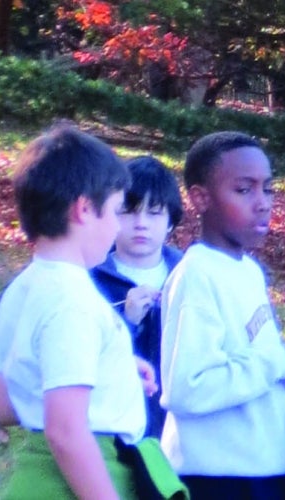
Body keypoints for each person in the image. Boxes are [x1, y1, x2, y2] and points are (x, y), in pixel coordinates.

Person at [0, 125, 180, 499]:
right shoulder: (74, 301)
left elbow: (1, 404)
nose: (115, 227)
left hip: (35, 478)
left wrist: (114, 376)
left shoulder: (24, 287)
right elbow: (66, 432)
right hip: (82, 479)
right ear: (84, 209)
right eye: (115, 211)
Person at [159, 131, 285, 499]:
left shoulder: (247, 271)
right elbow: (188, 388)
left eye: (268, 189)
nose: (262, 203)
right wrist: (276, 362)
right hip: (220, 484)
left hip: (265, 477)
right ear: (201, 198)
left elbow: (248, 367)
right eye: (244, 190)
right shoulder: (196, 276)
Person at [91, 156, 186, 439]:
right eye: (129, 212)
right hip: (111, 424)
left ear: (171, 221)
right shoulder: (92, 278)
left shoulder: (189, 277)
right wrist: (126, 321)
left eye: (154, 213)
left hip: (177, 427)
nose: (141, 224)